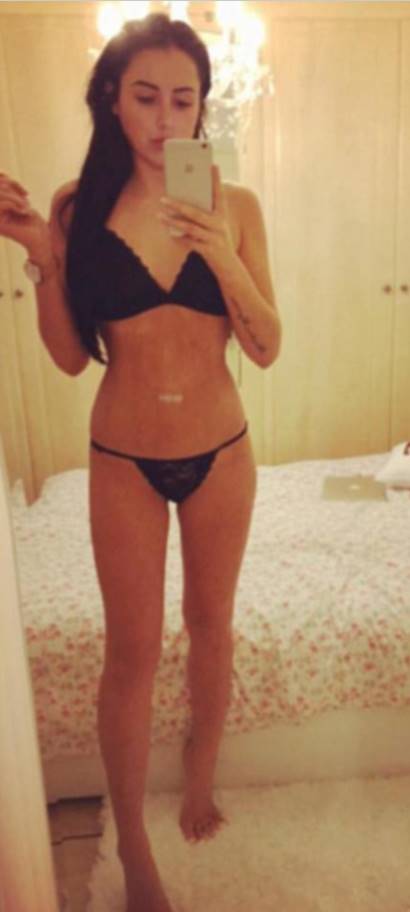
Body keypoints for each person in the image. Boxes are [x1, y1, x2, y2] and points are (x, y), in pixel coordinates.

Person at [0, 12, 281, 912]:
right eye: (146, 98)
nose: (166, 120)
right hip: (122, 455)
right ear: (113, 102)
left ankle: (200, 779)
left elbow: (266, 344)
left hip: (221, 452)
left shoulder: (236, 206)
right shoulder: (77, 207)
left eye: (183, 101)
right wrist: (41, 256)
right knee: (131, 652)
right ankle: (132, 843)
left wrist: (218, 250)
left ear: (203, 108)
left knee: (210, 625)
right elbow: (69, 358)